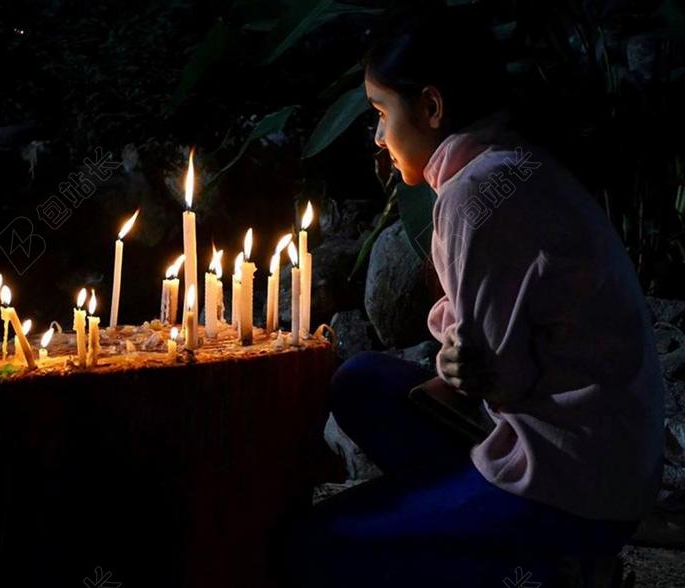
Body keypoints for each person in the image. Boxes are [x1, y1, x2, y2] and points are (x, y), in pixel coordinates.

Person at [278, 7, 664, 587]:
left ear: (431, 107)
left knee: (309, 547)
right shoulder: (513, 164)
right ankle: (458, 520)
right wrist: (457, 357)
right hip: (609, 462)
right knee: (360, 382)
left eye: (382, 113)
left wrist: (461, 362)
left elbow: (495, 380)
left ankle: (544, 561)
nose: (380, 138)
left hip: (567, 487)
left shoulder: (474, 196)